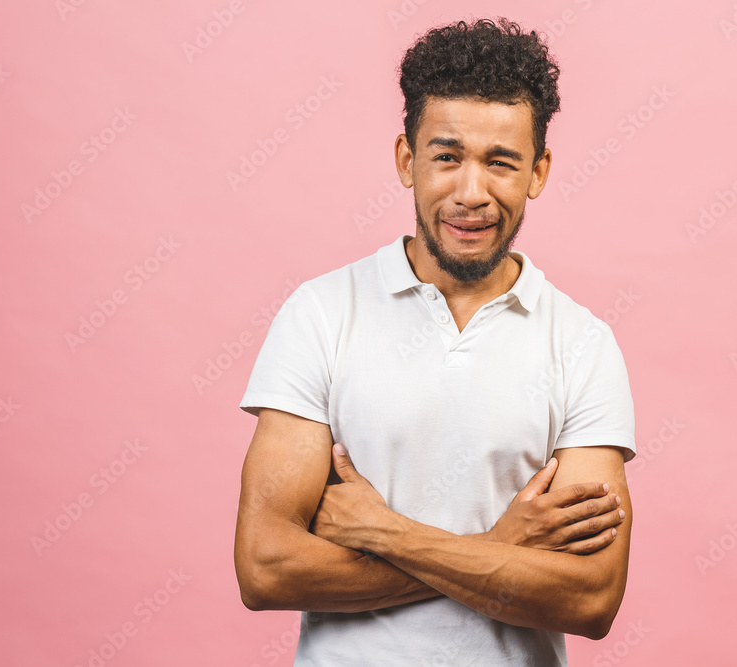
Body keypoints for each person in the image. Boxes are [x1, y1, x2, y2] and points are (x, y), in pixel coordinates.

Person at [234, 17, 636, 666]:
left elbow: (590, 597)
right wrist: (501, 544)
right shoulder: (321, 314)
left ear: (538, 171)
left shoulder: (583, 344)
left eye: (500, 162)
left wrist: (387, 533)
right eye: (447, 156)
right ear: (406, 159)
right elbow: (265, 565)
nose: (470, 192)